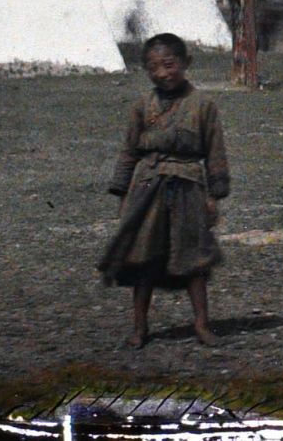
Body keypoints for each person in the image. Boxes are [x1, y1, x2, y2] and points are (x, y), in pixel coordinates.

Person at [98, 32, 229, 347]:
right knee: (142, 259)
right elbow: (129, 151)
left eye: (169, 65)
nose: (162, 73)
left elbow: (215, 151)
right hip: (147, 188)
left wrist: (214, 195)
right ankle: (140, 328)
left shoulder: (203, 105)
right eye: (154, 67)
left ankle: (201, 324)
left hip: (188, 189)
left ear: (185, 63)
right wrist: (122, 194)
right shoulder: (142, 106)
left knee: (194, 260)